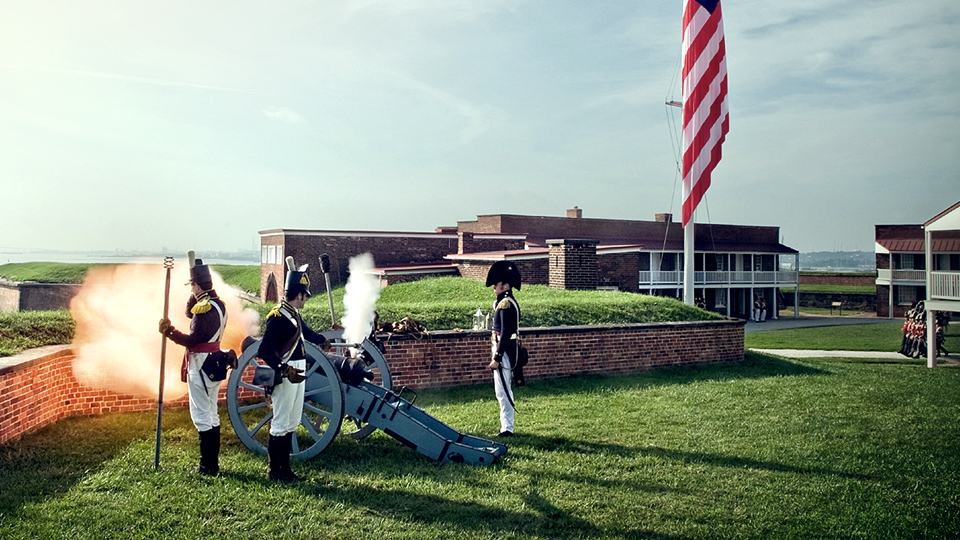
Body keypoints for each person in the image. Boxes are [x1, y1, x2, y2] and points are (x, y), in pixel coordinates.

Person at [257, 256, 327, 482]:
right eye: (305, 296)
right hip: (286, 373)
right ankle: (274, 471)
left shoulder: (293, 314)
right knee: (280, 422)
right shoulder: (278, 317)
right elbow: (264, 349)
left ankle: (285, 469)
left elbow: (307, 333)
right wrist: (283, 369)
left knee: (292, 421)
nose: (306, 300)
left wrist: (323, 340)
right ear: (299, 295)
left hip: (299, 371)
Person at [159, 252, 229, 475]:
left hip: (200, 366)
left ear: (198, 286)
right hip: (215, 364)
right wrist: (196, 292)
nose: (191, 290)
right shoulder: (219, 305)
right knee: (212, 413)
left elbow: (192, 340)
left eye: (192, 286)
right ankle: (213, 463)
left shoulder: (204, 309)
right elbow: (190, 312)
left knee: (201, 415)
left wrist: (169, 331)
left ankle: (207, 466)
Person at [485, 260, 521, 438]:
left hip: (504, 350)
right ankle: (506, 426)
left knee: (503, 390)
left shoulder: (505, 304)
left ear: (505, 286)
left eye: (496, 285)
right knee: (502, 389)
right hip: (505, 348)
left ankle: (507, 428)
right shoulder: (504, 302)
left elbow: (505, 333)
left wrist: (497, 358)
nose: (494, 287)